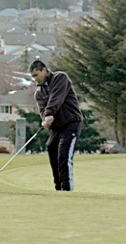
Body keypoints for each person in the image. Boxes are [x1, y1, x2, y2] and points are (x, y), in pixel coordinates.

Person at [29, 60, 83, 191]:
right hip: (56, 127)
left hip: (71, 122)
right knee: (51, 147)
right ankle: (58, 189)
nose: (35, 79)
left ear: (45, 70)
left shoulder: (60, 78)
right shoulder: (39, 92)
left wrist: (49, 114)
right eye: (33, 77)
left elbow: (56, 98)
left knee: (64, 155)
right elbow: (43, 110)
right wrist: (45, 119)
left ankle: (67, 190)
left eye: (36, 75)